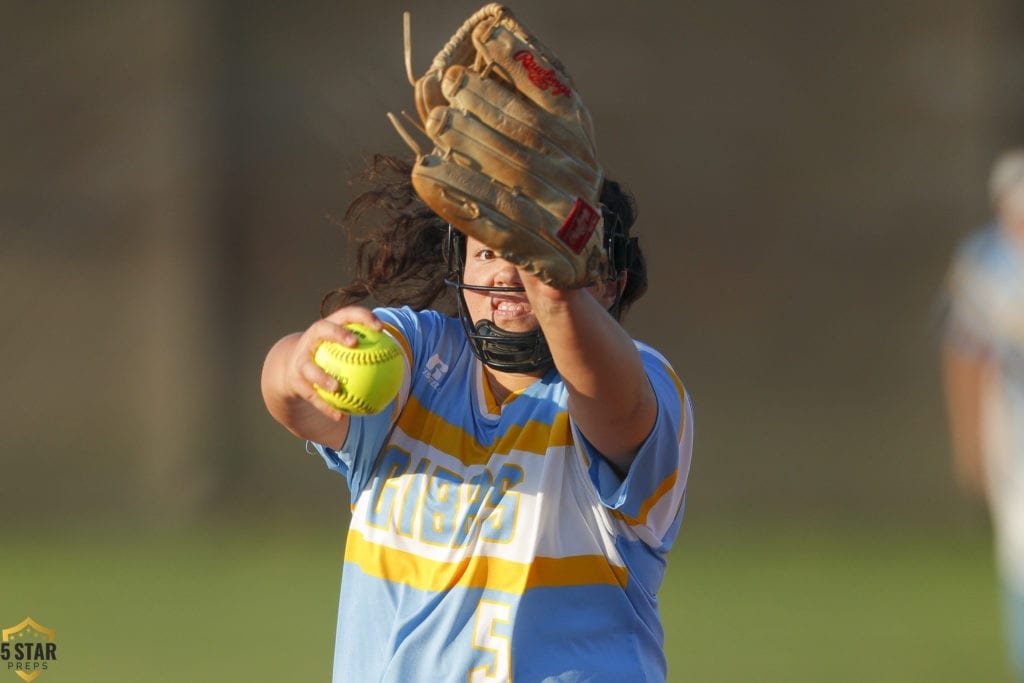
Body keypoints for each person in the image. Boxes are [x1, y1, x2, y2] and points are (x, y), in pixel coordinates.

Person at [260, 151, 694, 682]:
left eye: (534, 255)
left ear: (606, 280)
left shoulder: (637, 382)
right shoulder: (420, 357)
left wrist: (556, 287)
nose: (508, 273)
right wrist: (295, 363)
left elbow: (613, 403)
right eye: (487, 251)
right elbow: (294, 398)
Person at [942, 149, 1024, 680]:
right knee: (1019, 545)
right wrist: (968, 439)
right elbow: (964, 354)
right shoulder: (983, 262)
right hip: (1012, 419)